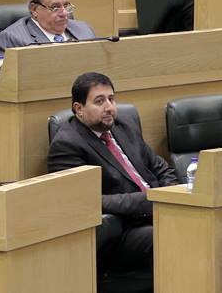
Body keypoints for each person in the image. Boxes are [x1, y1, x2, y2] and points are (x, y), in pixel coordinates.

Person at [47, 72, 177, 276]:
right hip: (121, 232)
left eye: (111, 99)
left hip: (158, 213)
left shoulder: (124, 126)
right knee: (172, 236)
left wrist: (172, 198)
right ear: (79, 109)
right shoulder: (67, 144)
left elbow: (161, 168)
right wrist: (151, 200)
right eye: (99, 101)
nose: (109, 107)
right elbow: (81, 201)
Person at [0, 0, 97, 57]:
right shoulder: (12, 40)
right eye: (55, 7)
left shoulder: (85, 30)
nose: (64, 13)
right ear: (34, 9)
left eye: (66, 5)